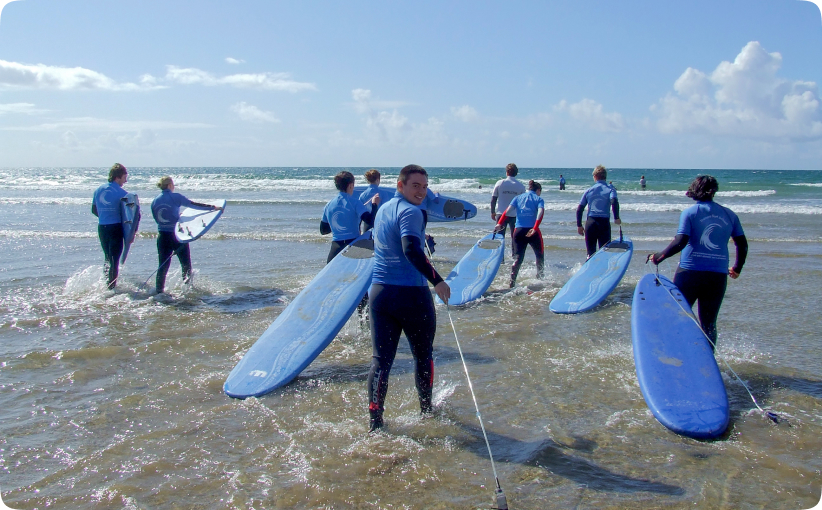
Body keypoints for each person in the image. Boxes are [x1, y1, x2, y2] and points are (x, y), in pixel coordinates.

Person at [366, 164, 450, 432]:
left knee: (381, 360)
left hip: (380, 294)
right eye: (415, 186)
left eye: (425, 187)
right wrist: (437, 280)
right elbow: (411, 250)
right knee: (423, 356)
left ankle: (375, 423)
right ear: (400, 185)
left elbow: (396, 242)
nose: (421, 192)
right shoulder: (411, 211)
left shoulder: (382, 211)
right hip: (411, 296)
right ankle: (426, 411)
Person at [647, 175, 748, 350]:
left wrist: (658, 257)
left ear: (694, 189)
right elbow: (742, 244)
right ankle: (707, 364)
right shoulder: (730, 215)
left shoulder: (690, 213)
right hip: (717, 276)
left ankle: (676, 353)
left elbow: (680, 242)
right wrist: (737, 268)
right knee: (708, 322)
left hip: (689, 273)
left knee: (677, 315)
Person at [151, 176, 223, 294]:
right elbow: (193, 205)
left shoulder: (155, 200)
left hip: (162, 236)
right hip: (177, 237)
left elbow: (157, 219)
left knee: (162, 266)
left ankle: (159, 292)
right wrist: (213, 208)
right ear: (169, 185)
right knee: (185, 265)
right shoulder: (176, 197)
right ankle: (188, 290)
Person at [494, 180, 545, 287]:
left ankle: (512, 282)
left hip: (518, 231)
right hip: (532, 231)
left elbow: (507, 211)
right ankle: (540, 278)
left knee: (518, 258)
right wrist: (535, 228)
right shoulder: (539, 199)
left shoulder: (517, 198)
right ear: (538, 190)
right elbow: (540, 213)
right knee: (539, 255)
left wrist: (499, 223)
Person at [321, 171, 380, 263]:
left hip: (335, 248)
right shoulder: (355, 202)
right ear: (351, 185)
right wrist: (374, 204)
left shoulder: (329, 205)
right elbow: (370, 221)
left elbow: (323, 230)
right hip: (353, 246)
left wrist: (340, 225)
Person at [92, 163, 129, 289]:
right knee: (114, 260)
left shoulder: (98, 190)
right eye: (125, 177)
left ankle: (106, 284)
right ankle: (111, 288)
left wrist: (104, 216)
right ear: (118, 177)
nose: (126, 180)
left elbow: (93, 209)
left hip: (102, 228)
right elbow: (130, 215)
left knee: (107, 257)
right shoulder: (123, 193)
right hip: (116, 229)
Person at [576, 165, 622, 259]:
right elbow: (614, 201)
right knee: (604, 253)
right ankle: (604, 272)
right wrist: (616, 217)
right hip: (604, 224)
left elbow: (580, 209)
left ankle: (589, 272)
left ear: (595, 176)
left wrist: (579, 225)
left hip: (591, 223)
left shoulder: (589, 190)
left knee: (590, 254)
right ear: (605, 176)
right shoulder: (610, 189)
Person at [490, 163, 526, 258]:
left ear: (507, 172)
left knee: (500, 237)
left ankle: (499, 258)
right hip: (514, 215)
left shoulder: (500, 183)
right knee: (515, 237)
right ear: (516, 173)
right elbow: (523, 204)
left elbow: (494, 199)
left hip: (501, 214)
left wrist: (492, 212)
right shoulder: (520, 186)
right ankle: (515, 256)